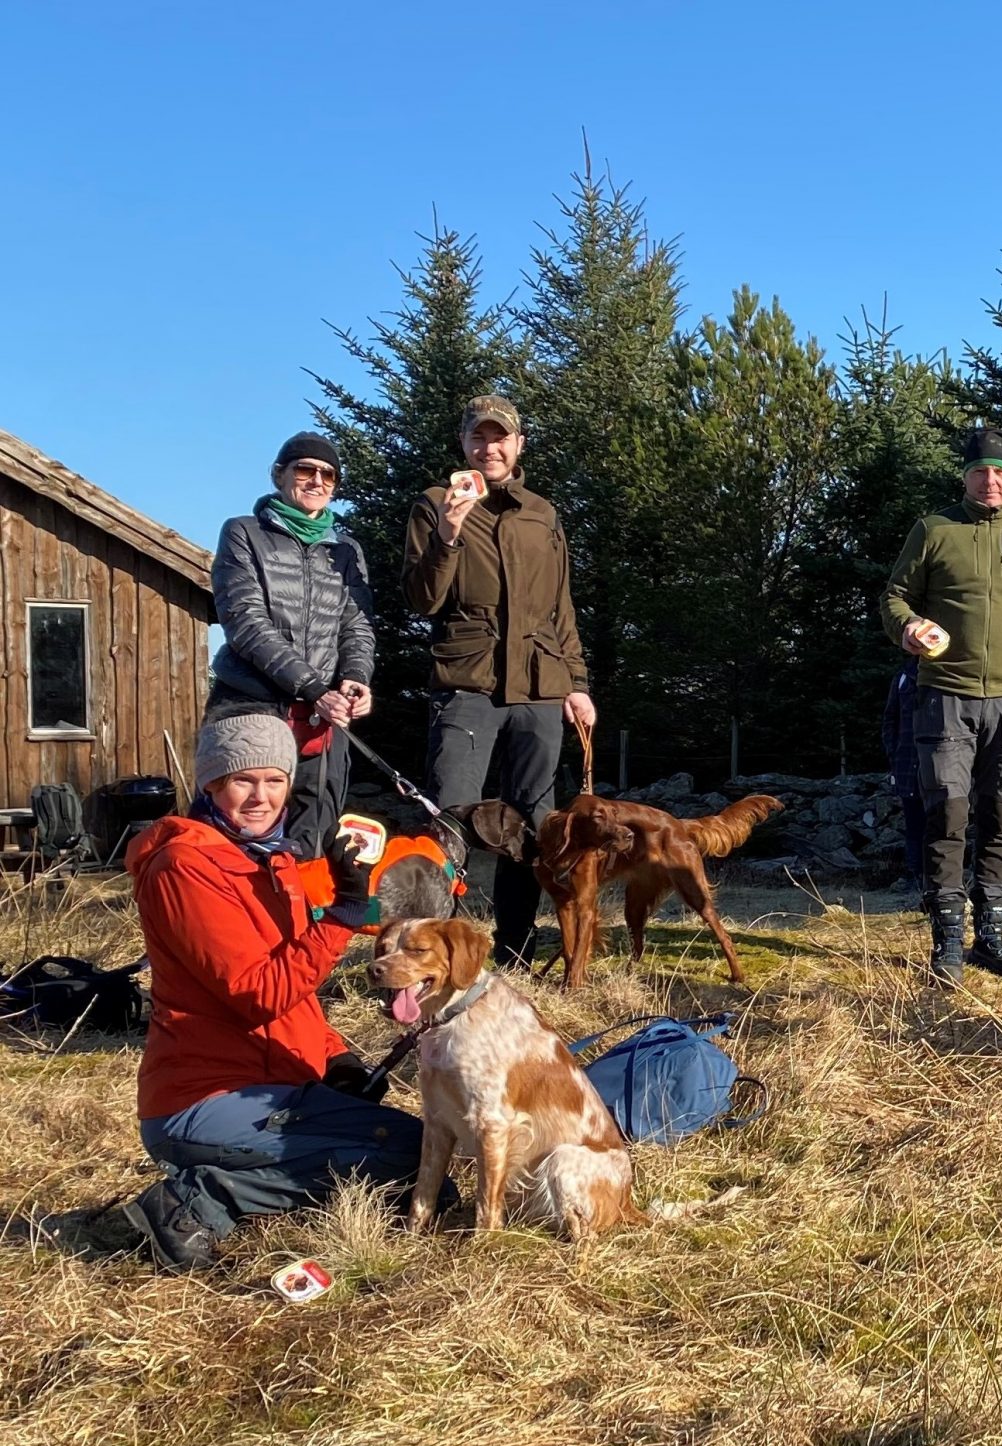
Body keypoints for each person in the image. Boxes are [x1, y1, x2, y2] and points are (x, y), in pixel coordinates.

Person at [21, 716, 402, 1270]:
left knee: (419, 1152)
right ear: (212, 785)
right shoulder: (184, 867)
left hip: (271, 1084)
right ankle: (197, 1202)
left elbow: (297, 996)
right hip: (205, 1098)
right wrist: (343, 914)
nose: (261, 797)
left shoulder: (271, 860)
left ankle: (242, 1180)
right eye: (243, 781)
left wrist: (335, 1058)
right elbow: (259, 994)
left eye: (275, 781)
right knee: (397, 1161)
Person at [881, 424, 1002, 987]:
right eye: (980, 471)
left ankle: (993, 937)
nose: (990, 481)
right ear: (965, 475)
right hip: (943, 694)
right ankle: (946, 942)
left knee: (1001, 817)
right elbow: (894, 596)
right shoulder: (933, 530)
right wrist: (909, 626)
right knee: (946, 813)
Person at [403, 394, 596, 969]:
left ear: (518, 445)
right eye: (478, 438)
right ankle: (437, 955)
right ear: (463, 444)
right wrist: (449, 532)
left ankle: (514, 949)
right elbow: (421, 600)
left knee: (535, 827)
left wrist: (577, 683)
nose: (489, 448)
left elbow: (561, 607)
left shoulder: (543, 513)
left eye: (500, 437)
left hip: (540, 687)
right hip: (468, 684)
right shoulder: (436, 504)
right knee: (450, 821)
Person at [203, 431, 376, 856]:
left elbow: (357, 623)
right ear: (279, 475)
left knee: (315, 830)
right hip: (253, 704)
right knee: (243, 830)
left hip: (324, 715)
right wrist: (313, 689)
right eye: (306, 469)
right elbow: (245, 623)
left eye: (328, 475)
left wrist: (355, 679)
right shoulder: (243, 533)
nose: (317, 481)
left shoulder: (347, 549)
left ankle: (302, 921)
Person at [882, 656, 928, 892]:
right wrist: (894, 751)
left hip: (942, 763)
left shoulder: (948, 674)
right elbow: (890, 718)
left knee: (944, 821)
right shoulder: (903, 677)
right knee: (914, 824)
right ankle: (915, 876)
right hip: (907, 762)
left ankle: (941, 877)